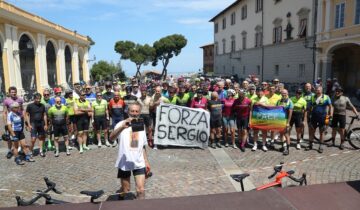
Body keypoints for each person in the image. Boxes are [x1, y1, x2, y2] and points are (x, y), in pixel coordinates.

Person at [110, 102, 151, 200]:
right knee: (126, 190)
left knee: (140, 190)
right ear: (128, 112)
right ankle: (121, 193)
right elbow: (111, 138)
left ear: (140, 112)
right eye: (132, 111)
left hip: (139, 162)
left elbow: (142, 146)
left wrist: (146, 161)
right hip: (124, 162)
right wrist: (121, 127)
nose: (134, 113)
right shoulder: (121, 124)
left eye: (137, 111)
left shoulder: (140, 125)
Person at [306, 86, 333, 153]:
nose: (317, 91)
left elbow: (330, 107)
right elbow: (309, 108)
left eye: (318, 90)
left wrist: (330, 115)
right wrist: (308, 117)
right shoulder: (313, 97)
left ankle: (320, 146)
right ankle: (310, 145)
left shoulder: (326, 97)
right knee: (312, 131)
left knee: (322, 131)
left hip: (322, 117)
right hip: (314, 117)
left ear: (321, 90)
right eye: (316, 90)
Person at [3, 86, 24, 159]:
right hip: (11, 121)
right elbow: (5, 112)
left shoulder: (20, 99)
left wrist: (23, 118)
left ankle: (20, 150)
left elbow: (22, 109)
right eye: (12, 92)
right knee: (10, 137)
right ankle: (9, 151)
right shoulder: (6, 100)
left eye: (14, 92)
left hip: (19, 120)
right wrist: (5, 123)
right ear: (9, 93)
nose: (13, 93)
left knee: (19, 135)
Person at [25, 93, 48, 157]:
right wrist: (28, 125)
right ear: (34, 98)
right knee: (33, 139)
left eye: (39, 99)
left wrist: (45, 124)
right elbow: (26, 115)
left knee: (41, 137)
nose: (38, 100)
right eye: (37, 99)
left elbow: (44, 115)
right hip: (33, 124)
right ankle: (31, 150)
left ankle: (41, 151)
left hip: (41, 123)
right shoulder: (30, 106)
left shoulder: (42, 105)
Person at [276, 89, 293, 155]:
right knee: (281, 134)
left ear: (287, 93)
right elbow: (276, 110)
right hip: (279, 120)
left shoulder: (290, 102)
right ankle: (283, 147)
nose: (283, 94)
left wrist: (288, 122)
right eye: (282, 93)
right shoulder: (278, 101)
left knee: (286, 135)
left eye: (285, 93)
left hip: (285, 121)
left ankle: (288, 150)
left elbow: (290, 113)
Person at [251, 87, 269, 152]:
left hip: (264, 117)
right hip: (256, 117)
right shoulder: (253, 99)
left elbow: (268, 107)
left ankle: (263, 145)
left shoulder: (266, 98)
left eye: (261, 91)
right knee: (255, 132)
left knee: (264, 132)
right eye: (258, 91)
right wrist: (251, 119)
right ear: (256, 92)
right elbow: (251, 110)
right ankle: (255, 144)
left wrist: (261, 104)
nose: (259, 93)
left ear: (262, 92)